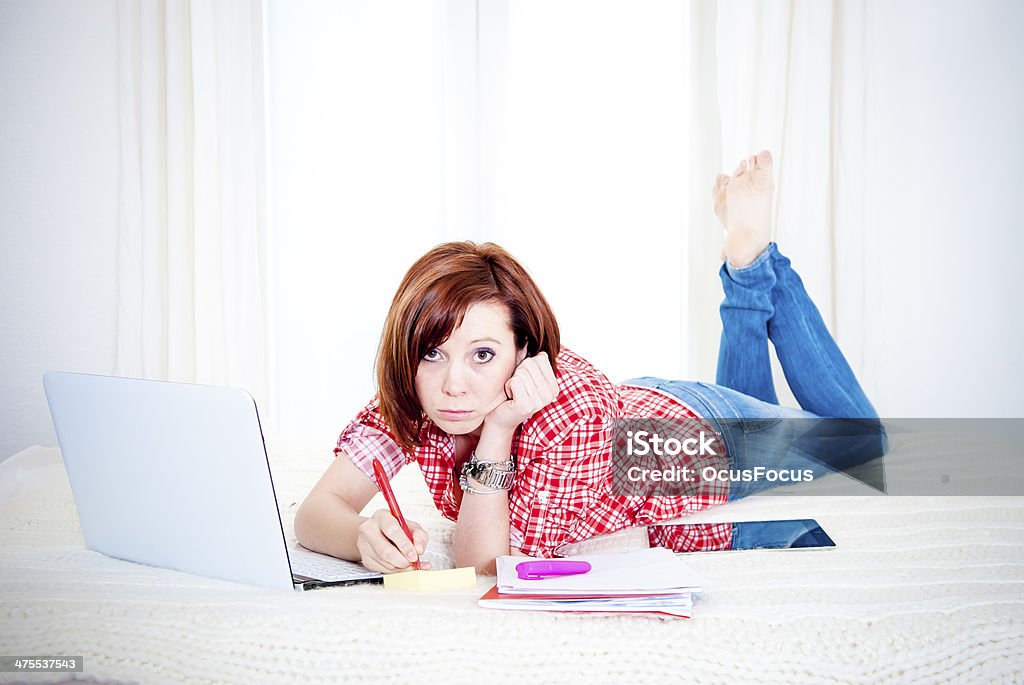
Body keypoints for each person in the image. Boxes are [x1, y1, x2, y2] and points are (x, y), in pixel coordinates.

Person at [294, 150, 884, 575]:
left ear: (524, 350)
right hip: (642, 407)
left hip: (689, 444)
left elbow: (485, 564)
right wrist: (360, 536)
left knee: (864, 443)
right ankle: (747, 271)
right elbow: (316, 513)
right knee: (761, 407)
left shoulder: (564, 421)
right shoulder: (414, 394)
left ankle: (752, 265)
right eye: (432, 352)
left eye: (482, 355)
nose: (453, 384)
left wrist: (497, 432)